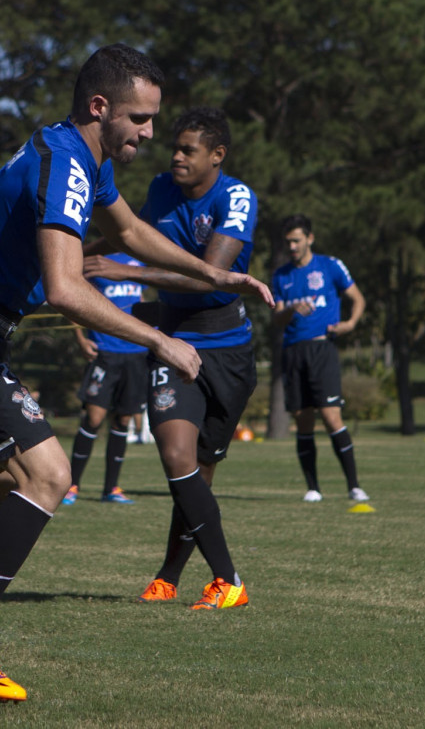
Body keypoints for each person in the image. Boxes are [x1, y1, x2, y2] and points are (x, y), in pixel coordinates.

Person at [0, 47, 272, 702]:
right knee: (51, 476)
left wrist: (211, 273)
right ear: (101, 108)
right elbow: (67, 287)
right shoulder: (66, 163)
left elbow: (127, 231)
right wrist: (162, 338)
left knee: (22, 486)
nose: (151, 134)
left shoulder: (74, 156)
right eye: (141, 118)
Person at [84, 106, 259, 613]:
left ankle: (168, 575)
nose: (176, 156)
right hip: (173, 340)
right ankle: (229, 580)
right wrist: (75, 256)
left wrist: (125, 272)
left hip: (228, 350)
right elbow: (127, 236)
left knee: (198, 474)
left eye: (188, 150)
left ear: (217, 156)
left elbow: (210, 274)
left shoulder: (237, 197)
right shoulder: (161, 188)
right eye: (175, 148)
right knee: (177, 458)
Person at [271, 214, 369, 503]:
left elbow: (358, 298)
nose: (292, 247)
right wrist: (290, 311)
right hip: (293, 351)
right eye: (288, 241)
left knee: (330, 415)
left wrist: (349, 324)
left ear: (309, 239)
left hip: (322, 349)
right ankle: (313, 488)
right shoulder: (281, 275)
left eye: (297, 240)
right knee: (303, 420)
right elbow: (276, 319)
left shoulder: (330, 266)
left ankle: (354, 485)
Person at [63, 252, 149, 506]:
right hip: (105, 353)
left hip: (135, 353)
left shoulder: (138, 261)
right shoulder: (96, 261)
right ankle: (71, 485)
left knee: (123, 420)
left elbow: (139, 297)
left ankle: (111, 488)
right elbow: (69, 295)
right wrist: (80, 339)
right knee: (93, 418)